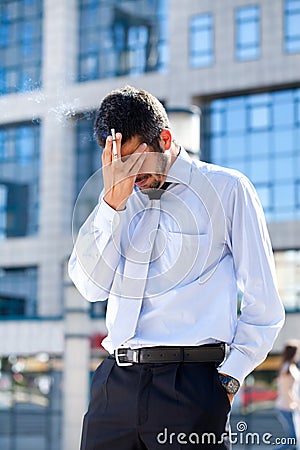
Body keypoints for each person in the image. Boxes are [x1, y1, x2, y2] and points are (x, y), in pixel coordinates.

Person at [68, 85, 285, 450]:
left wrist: (227, 382)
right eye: (117, 163)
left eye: (136, 161)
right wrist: (111, 208)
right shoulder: (117, 198)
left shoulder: (228, 189)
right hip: (114, 387)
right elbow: (91, 288)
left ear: (164, 139)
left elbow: (264, 307)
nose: (130, 176)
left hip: (191, 388)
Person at [276, 341, 300, 449]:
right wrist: (296, 403)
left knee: (294, 441)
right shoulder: (287, 368)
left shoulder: (290, 367)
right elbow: (286, 390)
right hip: (287, 407)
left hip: (291, 406)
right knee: (292, 440)